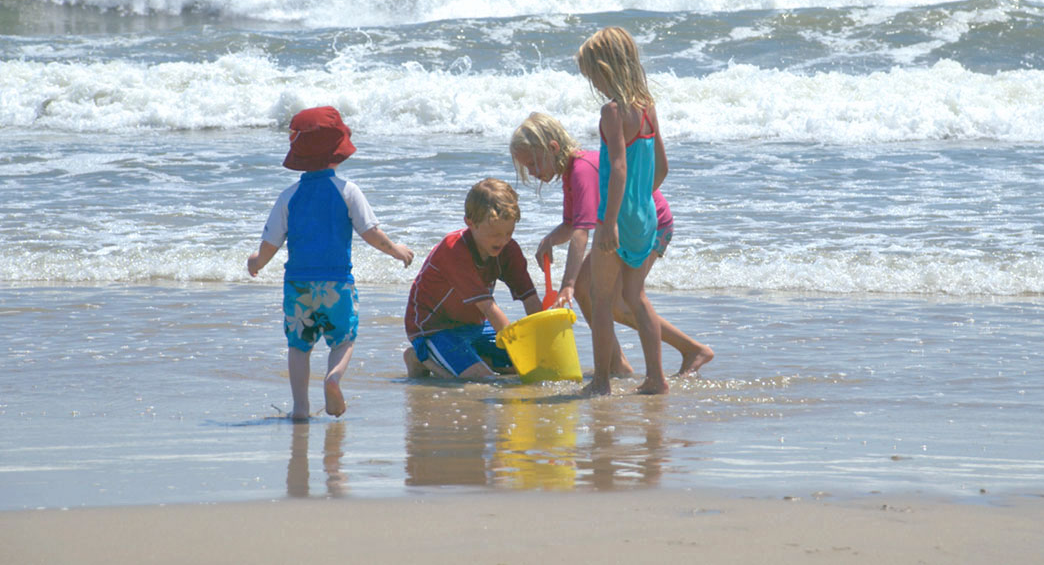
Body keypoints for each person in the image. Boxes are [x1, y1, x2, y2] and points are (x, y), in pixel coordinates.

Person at [510, 112, 713, 377]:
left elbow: (581, 233)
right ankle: (617, 363)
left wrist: (567, 284)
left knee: (619, 301)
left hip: (650, 225)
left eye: (532, 164)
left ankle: (692, 350)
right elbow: (571, 224)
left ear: (553, 148)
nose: (532, 173)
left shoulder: (582, 170)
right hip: (621, 228)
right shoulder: (571, 172)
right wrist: (550, 240)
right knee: (587, 290)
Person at [248, 106, 414, 421]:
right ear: (338, 153)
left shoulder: (289, 196)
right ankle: (333, 377)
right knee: (344, 339)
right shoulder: (347, 191)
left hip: (298, 286)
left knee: (299, 346)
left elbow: (270, 245)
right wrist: (397, 251)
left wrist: (256, 262)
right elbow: (371, 233)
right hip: (337, 284)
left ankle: (300, 408)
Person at [575, 27, 675, 396]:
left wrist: (609, 221)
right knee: (636, 296)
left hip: (615, 217)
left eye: (593, 76)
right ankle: (656, 378)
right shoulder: (648, 107)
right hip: (645, 215)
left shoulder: (612, 111)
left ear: (605, 69)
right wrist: (639, 199)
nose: (594, 84)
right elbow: (662, 167)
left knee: (601, 300)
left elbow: (617, 167)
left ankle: (601, 382)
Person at [404, 178, 542, 380]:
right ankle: (418, 356)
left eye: (509, 233)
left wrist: (542, 348)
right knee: (481, 380)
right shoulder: (454, 250)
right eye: (495, 234)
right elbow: (488, 307)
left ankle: (475, 358)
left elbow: (530, 299)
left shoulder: (508, 249)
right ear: (470, 222)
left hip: (475, 326)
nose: (503, 240)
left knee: (528, 365)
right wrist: (518, 350)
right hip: (433, 327)